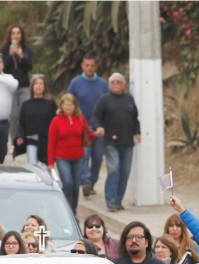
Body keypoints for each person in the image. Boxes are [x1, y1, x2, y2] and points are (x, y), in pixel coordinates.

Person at [94, 73, 140, 212]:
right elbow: (96, 117)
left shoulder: (129, 99)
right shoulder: (104, 100)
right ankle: (111, 200)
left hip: (127, 142)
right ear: (109, 85)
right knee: (114, 170)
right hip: (110, 142)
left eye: (119, 82)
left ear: (123, 84)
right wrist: (99, 127)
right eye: (113, 82)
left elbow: (135, 118)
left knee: (124, 173)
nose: (116, 84)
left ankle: (118, 200)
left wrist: (138, 132)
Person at [67, 54, 109, 198]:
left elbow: (108, 104)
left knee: (97, 157)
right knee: (84, 155)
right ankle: (85, 181)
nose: (89, 68)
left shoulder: (103, 84)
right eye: (87, 65)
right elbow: (68, 101)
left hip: (99, 127)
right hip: (81, 126)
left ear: (96, 67)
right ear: (82, 66)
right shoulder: (75, 83)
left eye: (92, 65)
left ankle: (91, 182)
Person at [47, 93, 94, 213]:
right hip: (62, 157)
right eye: (66, 105)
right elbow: (51, 143)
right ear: (61, 106)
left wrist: (96, 134)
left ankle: (73, 211)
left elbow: (87, 134)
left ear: (75, 106)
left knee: (75, 186)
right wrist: (51, 163)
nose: (69, 107)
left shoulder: (80, 119)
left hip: (78, 157)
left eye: (71, 105)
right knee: (68, 183)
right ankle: (67, 212)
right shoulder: (56, 121)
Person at [0, 25, 33, 144]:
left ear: (21, 35)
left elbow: (29, 66)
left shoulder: (26, 50)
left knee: (24, 112)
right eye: (13, 33)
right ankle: (14, 139)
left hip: (24, 85)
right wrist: (9, 55)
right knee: (13, 115)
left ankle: (24, 138)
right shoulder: (4, 50)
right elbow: (3, 67)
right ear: (10, 36)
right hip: (10, 86)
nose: (15, 36)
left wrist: (21, 55)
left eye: (18, 33)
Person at [16, 75, 55, 166]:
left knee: (46, 169)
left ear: (44, 87)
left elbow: (56, 122)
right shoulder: (26, 104)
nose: (39, 86)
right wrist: (20, 136)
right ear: (32, 87)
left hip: (47, 142)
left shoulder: (51, 104)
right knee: (32, 167)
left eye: (41, 84)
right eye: (36, 84)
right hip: (31, 141)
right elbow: (21, 123)